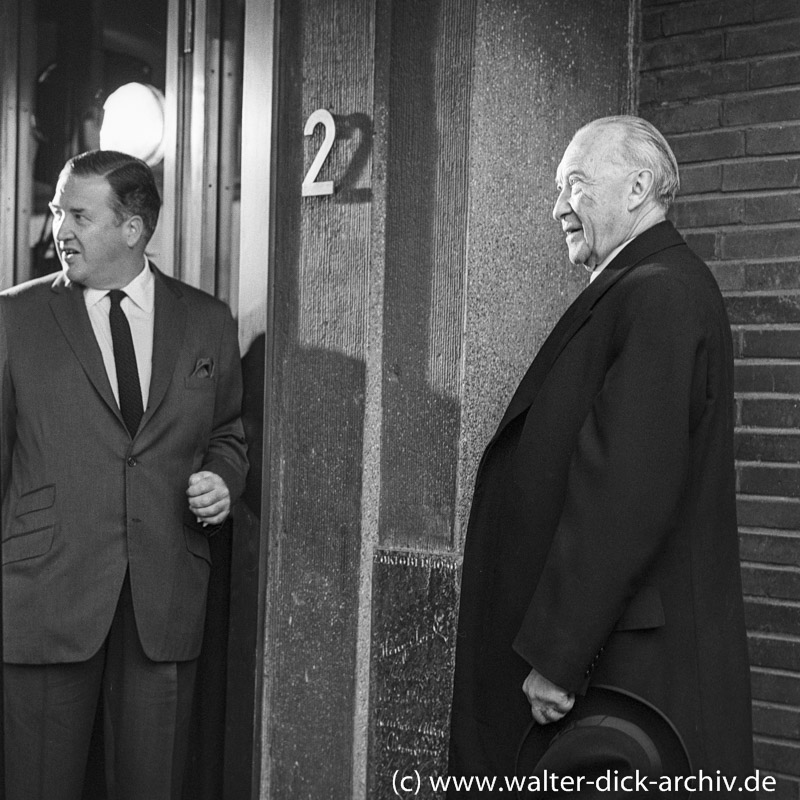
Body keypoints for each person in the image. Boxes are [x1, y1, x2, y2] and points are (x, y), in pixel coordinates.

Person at [448, 116, 754, 792]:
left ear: (639, 187)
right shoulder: (641, 286)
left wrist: (559, 657)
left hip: (620, 679)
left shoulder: (661, 293)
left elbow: (625, 492)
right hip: (610, 670)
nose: (559, 206)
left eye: (577, 186)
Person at [0, 150, 248, 799]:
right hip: (43, 599)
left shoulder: (207, 321)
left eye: (78, 213)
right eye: (57, 210)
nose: (60, 227)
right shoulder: (11, 320)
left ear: (132, 229)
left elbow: (227, 434)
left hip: (162, 598)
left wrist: (223, 480)